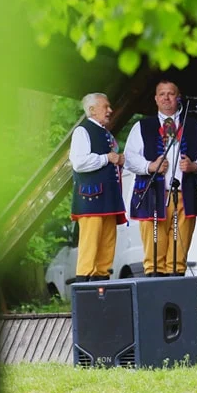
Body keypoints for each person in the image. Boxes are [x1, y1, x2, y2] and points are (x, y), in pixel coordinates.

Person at [124, 80, 197, 276]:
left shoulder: (195, 126)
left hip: (184, 195)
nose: (166, 97)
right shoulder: (141, 126)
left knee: (178, 256)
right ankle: (154, 291)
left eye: (171, 93)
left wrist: (195, 165)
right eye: (162, 94)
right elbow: (129, 158)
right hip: (152, 195)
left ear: (178, 98)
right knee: (153, 253)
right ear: (156, 99)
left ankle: (175, 292)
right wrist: (149, 166)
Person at [69, 92, 126, 282]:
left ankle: (102, 284)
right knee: (90, 246)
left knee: (107, 245)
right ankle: (84, 285)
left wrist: (119, 160)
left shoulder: (104, 133)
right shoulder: (82, 131)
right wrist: (106, 158)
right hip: (91, 198)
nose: (110, 110)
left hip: (109, 198)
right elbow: (78, 163)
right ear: (92, 110)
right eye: (106, 107)